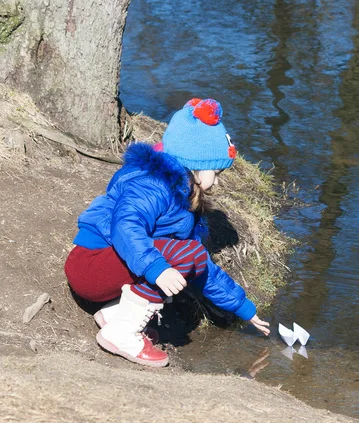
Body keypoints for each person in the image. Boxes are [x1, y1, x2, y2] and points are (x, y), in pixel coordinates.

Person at [64, 98, 270, 368]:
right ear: (196, 162)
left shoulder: (182, 197)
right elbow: (126, 226)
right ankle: (121, 333)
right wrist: (158, 268)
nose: (217, 181)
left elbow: (200, 265)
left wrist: (244, 307)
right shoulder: (153, 186)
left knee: (189, 254)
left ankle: (117, 314)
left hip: (109, 270)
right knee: (181, 257)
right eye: (216, 172)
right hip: (90, 266)